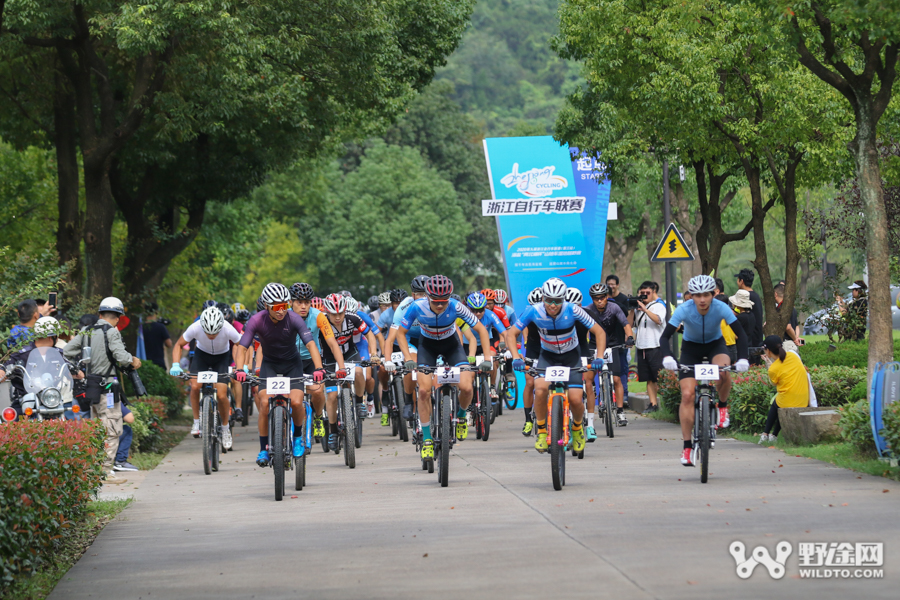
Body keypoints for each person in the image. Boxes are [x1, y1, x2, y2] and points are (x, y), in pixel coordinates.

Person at [392, 275, 493, 466]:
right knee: (423, 390)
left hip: (451, 346)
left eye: (443, 302)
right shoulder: (416, 307)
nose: (440, 306)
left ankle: (462, 417)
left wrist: (487, 358)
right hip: (427, 347)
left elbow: (480, 329)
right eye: (436, 302)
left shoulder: (456, 306)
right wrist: (407, 357)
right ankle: (428, 439)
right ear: (428, 297)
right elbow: (401, 333)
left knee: (467, 387)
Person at [508, 278, 607, 455]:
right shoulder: (533, 311)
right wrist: (516, 357)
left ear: (564, 299)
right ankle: (541, 431)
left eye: (558, 301)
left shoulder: (573, 310)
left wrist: (599, 357)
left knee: (576, 399)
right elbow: (511, 333)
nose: (553, 305)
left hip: (571, 356)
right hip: (548, 356)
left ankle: (577, 429)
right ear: (543, 298)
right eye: (549, 300)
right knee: (539, 390)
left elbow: (599, 332)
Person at [234, 283, 329, 465]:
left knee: (295, 402)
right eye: (277, 307)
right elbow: (242, 346)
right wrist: (240, 370)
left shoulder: (294, 319)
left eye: (284, 305)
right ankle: (263, 449)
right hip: (270, 365)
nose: (281, 311)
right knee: (263, 403)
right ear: (267, 305)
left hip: (292, 365)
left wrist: (318, 368)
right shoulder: (256, 320)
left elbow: (310, 344)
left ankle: (298, 438)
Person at [660, 275, 750, 467]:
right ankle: (686, 447)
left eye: (706, 295)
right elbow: (665, 336)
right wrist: (667, 356)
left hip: (714, 346)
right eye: (697, 295)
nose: (702, 300)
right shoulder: (684, 309)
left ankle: (723, 407)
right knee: (687, 395)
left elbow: (741, 334)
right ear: (691, 295)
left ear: (714, 294)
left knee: (723, 371)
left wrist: (743, 358)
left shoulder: (721, 308)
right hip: (690, 349)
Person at [63, 297, 141, 482]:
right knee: (112, 428)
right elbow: (121, 357)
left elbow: (67, 351)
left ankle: (94, 469)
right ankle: (106, 471)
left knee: (96, 427)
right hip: (108, 386)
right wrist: (133, 360)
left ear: (99, 314)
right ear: (118, 317)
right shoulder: (112, 332)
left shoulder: (86, 331)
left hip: (90, 386)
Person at [169, 306, 242, 450]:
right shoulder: (195, 327)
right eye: (208, 332)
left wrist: (240, 366)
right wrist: (175, 365)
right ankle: (196, 421)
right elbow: (178, 344)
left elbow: (241, 345)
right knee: (195, 386)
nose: (211, 335)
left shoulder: (228, 328)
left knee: (221, 395)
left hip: (222, 358)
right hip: (202, 356)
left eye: (215, 332)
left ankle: (225, 428)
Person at [759, 335, 809, 444]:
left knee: (777, 404)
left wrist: (768, 364)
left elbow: (773, 383)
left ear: (768, 351)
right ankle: (774, 435)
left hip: (788, 401)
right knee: (781, 401)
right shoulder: (793, 355)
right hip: (804, 399)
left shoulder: (773, 368)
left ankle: (765, 434)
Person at [633, 281, 666, 414]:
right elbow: (631, 324)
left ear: (653, 293)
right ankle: (653, 404)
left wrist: (645, 309)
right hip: (642, 346)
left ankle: (665, 403)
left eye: (648, 293)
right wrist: (632, 309)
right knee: (648, 378)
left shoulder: (658, 306)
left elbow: (658, 320)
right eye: (642, 293)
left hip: (655, 346)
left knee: (659, 377)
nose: (645, 295)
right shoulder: (638, 309)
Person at [605, 274, 631, 405]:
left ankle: (623, 398)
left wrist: (629, 337)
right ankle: (606, 398)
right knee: (604, 372)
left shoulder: (620, 304)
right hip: (603, 345)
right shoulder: (594, 308)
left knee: (621, 372)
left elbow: (627, 322)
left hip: (619, 343)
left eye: (613, 284)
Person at [734, 268, 764, 349]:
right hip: (758, 339)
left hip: (751, 342)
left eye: (738, 280)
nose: (737, 282)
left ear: (742, 281)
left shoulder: (746, 297)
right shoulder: (756, 296)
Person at [142, 302, 173, 370]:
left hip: (143, 361)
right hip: (158, 362)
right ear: (156, 311)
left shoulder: (141, 327)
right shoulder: (161, 327)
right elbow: (169, 344)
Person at [729, 289, 757, 360]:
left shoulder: (740, 318)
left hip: (740, 348)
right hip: (749, 345)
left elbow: (735, 336)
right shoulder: (751, 315)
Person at [773, 284, 803, 350]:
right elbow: (796, 326)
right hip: (793, 344)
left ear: (775, 294)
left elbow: (788, 327)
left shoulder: (782, 309)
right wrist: (796, 337)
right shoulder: (792, 308)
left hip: (786, 344)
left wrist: (795, 339)